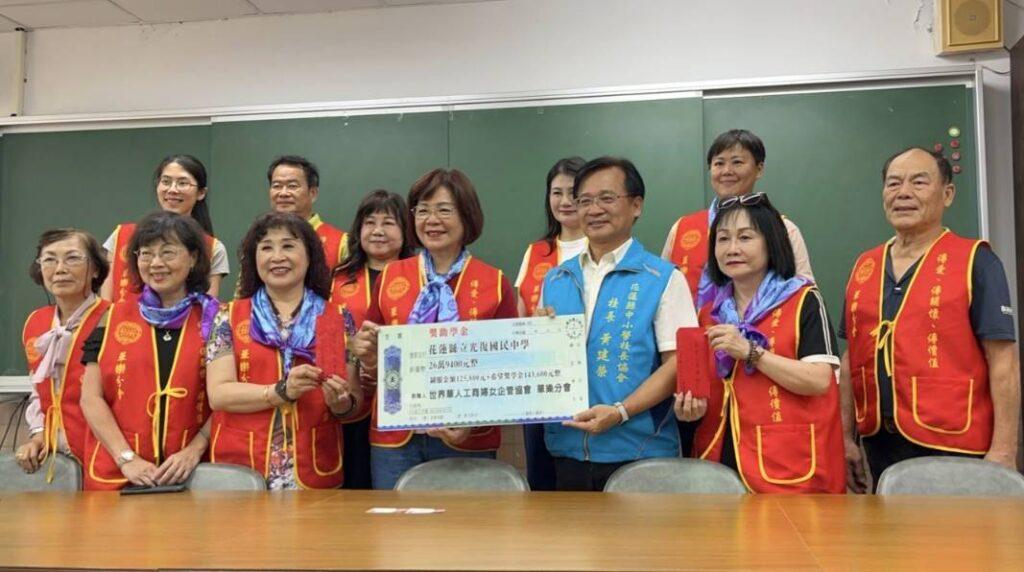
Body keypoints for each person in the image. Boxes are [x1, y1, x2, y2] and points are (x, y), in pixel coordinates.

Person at [839, 147, 1019, 492]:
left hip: (956, 443)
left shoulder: (976, 260)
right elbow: (851, 358)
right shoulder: (865, 265)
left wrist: (1005, 449)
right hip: (879, 443)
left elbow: (1003, 360)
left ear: (947, 194)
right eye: (894, 183)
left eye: (919, 182)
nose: (903, 193)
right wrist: (846, 437)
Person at [351, 168, 517, 490]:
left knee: (464, 521)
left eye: (444, 210)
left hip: (466, 437)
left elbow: (509, 370)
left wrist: (472, 422)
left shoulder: (494, 283)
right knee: (396, 520)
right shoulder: (391, 276)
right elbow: (374, 361)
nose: (432, 220)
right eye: (423, 210)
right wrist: (366, 354)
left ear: (467, 215)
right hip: (395, 438)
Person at [537, 156, 697, 492]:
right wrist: (537, 338)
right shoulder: (556, 278)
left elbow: (678, 364)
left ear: (636, 205)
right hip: (567, 449)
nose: (594, 209)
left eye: (606, 198)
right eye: (585, 201)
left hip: (640, 453)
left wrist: (620, 412)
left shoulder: (663, 278)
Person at [662, 129, 815, 457]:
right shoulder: (683, 228)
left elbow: (800, 293)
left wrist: (752, 351)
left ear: (759, 169)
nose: (727, 171)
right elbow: (664, 298)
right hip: (694, 370)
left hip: (764, 369)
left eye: (737, 162)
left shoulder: (783, 229)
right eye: (719, 163)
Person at [679, 193, 844, 493]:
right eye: (723, 239)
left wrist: (751, 352)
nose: (732, 248)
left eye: (745, 237)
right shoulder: (709, 312)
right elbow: (705, 389)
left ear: (772, 242)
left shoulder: (804, 299)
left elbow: (820, 380)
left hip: (787, 461)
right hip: (719, 455)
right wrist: (689, 410)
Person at [206, 212, 363, 490]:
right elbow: (219, 394)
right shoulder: (229, 316)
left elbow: (350, 403)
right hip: (242, 471)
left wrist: (340, 403)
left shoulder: (332, 318)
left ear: (310, 256)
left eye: (288, 246)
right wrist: (280, 391)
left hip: (314, 469)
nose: (277, 257)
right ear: (254, 259)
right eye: (266, 247)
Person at [80, 212, 218, 490]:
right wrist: (126, 458)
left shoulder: (215, 318)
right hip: (119, 473)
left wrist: (194, 450)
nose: (156, 263)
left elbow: (226, 398)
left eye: (168, 253)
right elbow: (90, 398)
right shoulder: (111, 317)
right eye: (146, 254)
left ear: (193, 258)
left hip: (194, 472)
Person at [330, 189, 415, 489]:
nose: (378, 231)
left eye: (388, 223)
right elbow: (326, 343)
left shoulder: (423, 279)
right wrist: (349, 372)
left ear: (406, 231)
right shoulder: (335, 280)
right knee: (354, 489)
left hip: (406, 409)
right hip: (348, 406)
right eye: (369, 222)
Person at [513, 156, 587, 491]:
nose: (565, 201)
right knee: (541, 478)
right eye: (557, 193)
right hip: (539, 383)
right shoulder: (536, 252)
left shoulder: (603, 248)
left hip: (588, 382)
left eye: (574, 192)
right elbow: (519, 311)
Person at [16, 229, 110, 476]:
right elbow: (39, 391)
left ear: (95, 269)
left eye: (72, 258)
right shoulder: (36, 322)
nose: (59, 269)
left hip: (103, 453)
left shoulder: (113, 319)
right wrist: (38, 436)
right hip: (53, 456)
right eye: (49, 259)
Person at [100, 154, 228, 302]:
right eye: (166, 181)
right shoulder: (122, 236)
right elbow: (106, 305)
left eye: (182, 183)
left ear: (201, 193)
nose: (172, 189)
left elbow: (208, 309)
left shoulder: (212, 248)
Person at [267, 155, 348, 268]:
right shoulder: (260, 239)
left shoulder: (341, 243)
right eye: (277, 186)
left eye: (292, 186)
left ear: (313, 193)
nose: (283, 193)